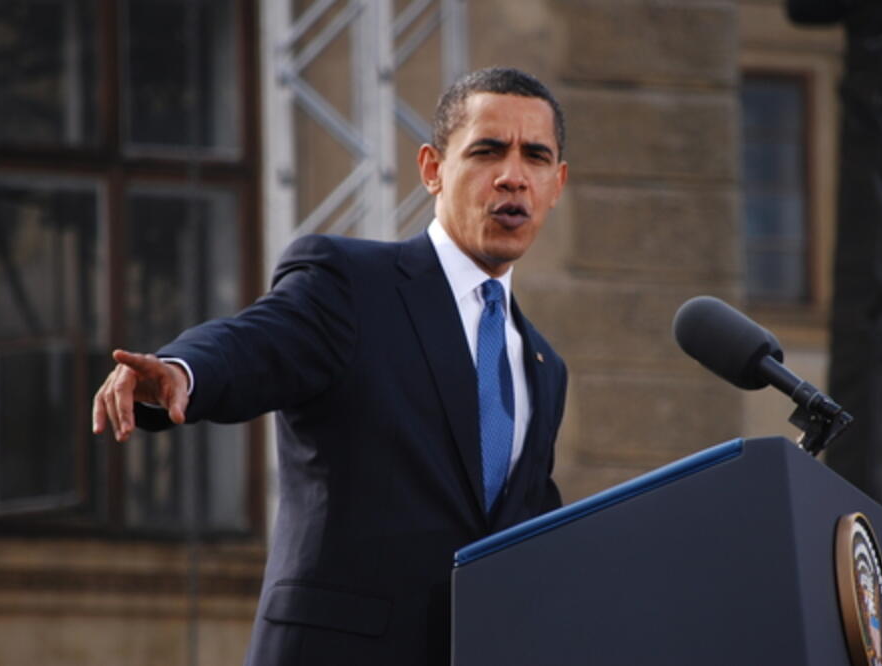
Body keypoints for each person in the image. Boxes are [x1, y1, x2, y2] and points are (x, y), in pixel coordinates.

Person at [92, 67, 569, 665]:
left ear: (557, 184)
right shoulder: (354, 284)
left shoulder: (544, 366)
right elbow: (257, 341)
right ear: (432, 170)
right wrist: (184, 371)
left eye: (536, 157)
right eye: (487, 151)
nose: (512, 177)